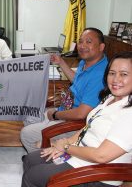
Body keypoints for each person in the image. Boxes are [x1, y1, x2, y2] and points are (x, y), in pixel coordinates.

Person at [22, 51, 132, 187]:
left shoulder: (129, 114)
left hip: (98, 173)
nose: (116, 79)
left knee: (32, 176)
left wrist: (66, 147)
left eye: (124, 74)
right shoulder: (110, 98)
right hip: (81, 155)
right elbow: (87, 127)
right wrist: (66, 142)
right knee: (30, 160)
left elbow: (101, 156)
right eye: (112, 73)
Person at [20, 28, 108, 153]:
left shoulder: (100, 75)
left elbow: (81, 114)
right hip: (65, 110)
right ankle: (43, 148)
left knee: (26, 134)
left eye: (88, 42)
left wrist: (55, 115)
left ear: (101, 46)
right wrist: (60, 62)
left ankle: (46, 161)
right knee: (29, 115)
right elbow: (77, 81)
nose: (82, 46)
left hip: (75, 123)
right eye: (80, 42)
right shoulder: (86, 62)